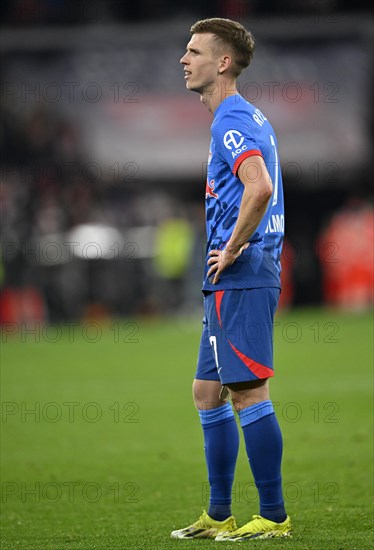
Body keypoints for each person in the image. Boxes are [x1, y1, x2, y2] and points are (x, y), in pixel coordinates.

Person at [171, 18, 291, 541]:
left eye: (194, 51)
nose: (184, 59)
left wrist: (236, 246)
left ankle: (274, 516)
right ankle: (220, 513)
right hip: (232, 278)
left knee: (247, 392)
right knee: (206, 391)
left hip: (242, 272)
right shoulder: (240, 116)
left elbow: (258, 187)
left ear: (222, 63)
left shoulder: (232, 118)